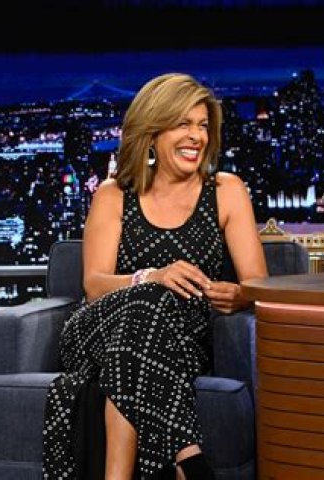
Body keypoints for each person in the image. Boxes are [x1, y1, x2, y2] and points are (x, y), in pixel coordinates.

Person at [42, 73, 268, 479]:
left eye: (203, 125)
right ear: (152, 132)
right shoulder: (114, 194)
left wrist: (238, 295)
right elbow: (94, 285)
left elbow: (257, 283)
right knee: (149, 301)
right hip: (96, 331)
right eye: (183, 124)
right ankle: (187, 455)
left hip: (181, 340)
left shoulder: (226, 190)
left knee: (135, 349)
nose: (196, 136)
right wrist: (153, 276)